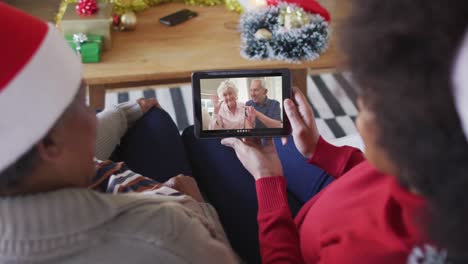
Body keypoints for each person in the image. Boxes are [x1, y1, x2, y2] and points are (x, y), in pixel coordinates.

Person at [216, 0, 468, 262]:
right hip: (330, 200)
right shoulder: (429, 171)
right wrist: (320, 149)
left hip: (290, 239)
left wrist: (267, 179)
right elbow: (373, 175)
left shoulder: (366, 253)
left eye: (370, 103)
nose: (359, 104)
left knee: (203, 140)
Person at [0, 4, 239, 263]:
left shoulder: (24, 163)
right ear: (48, 142)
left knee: (152, 117)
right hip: (180, 213)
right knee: (193, 137)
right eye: (84, 102)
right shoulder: (165, 235)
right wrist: (196, 207)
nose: (94, 113)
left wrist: (121, 114)